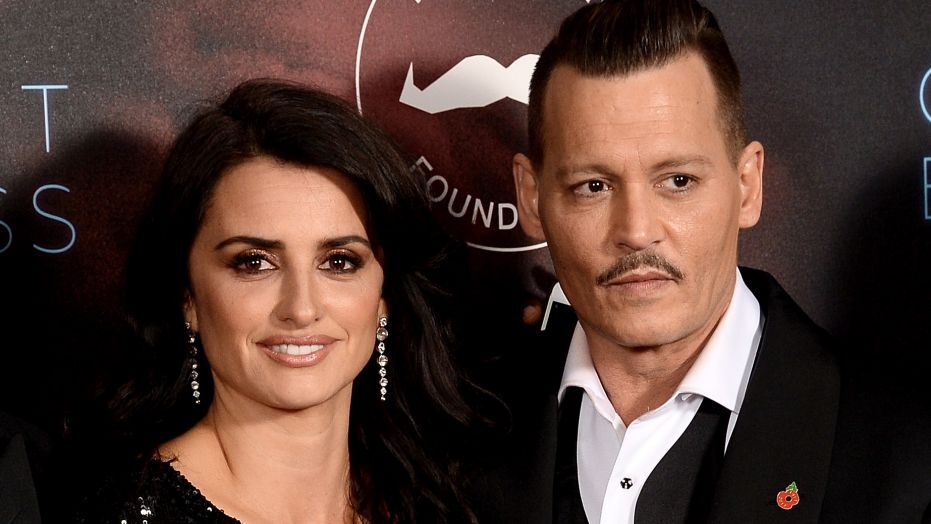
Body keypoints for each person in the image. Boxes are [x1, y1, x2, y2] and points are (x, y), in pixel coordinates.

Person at [496, 1, 931, 522]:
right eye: (593, 186)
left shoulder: (905, 460)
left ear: (747, 187)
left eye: (678, 181)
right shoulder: (459, 424)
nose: (636, 230)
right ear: (531, 198)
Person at [75, 79, 479, 523]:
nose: (302, 309)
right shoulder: (130, 516)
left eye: (339, 262)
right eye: (254, 262)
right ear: (187, 295)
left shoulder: (430, 505)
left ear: (385, 295)